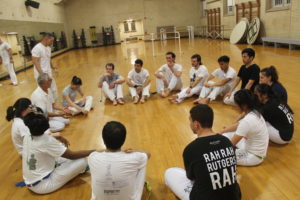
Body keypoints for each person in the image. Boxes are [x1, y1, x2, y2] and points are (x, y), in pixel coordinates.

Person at [165, 104, 241, 200]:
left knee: (169, 172)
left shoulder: (191, 149)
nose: (190, 124)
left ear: (196, 124)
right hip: (234, 197)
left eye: (190, 121)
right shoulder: (227, 141)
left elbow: (191, 178)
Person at [22, 113, 94, 194]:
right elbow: (72, 155)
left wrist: (58, 136)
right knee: (82, 161)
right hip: (42, 185)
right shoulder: (46, 141)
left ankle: (73, 168)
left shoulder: (27, 136)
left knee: (61, 152)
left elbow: (44, 139)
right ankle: (81, 169)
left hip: (31, 181)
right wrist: (95, 151)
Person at [88, 121, 150, 200]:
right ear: (123, 140)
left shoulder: (93, 157)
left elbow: (96, 151)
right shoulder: (135, 157)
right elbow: (148, 154)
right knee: (142, 163)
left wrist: (104, 150)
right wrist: (134, 151)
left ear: (103, 140)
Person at [221, 89, 269, 166]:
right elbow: (238, 125)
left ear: (244, 105)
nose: (236, 106)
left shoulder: (247, 120)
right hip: (252, 148)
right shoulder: (255, 112)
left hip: (253, 156)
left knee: (218, 159)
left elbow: (230, 144)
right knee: (225, 134)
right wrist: (220, 132)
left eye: (236, 104)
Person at [31, 32, 59, 103]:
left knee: (54, 90)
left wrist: (53, 67)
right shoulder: (37, 48)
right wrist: (42, 75)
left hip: (48, 73)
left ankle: (55, 107)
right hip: (41, 75)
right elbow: (35, 62)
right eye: (51, 40)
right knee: (45, 93)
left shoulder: (48, 48)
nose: (52, 43)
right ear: (46, 39)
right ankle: (47, 109)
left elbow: (48, 58)